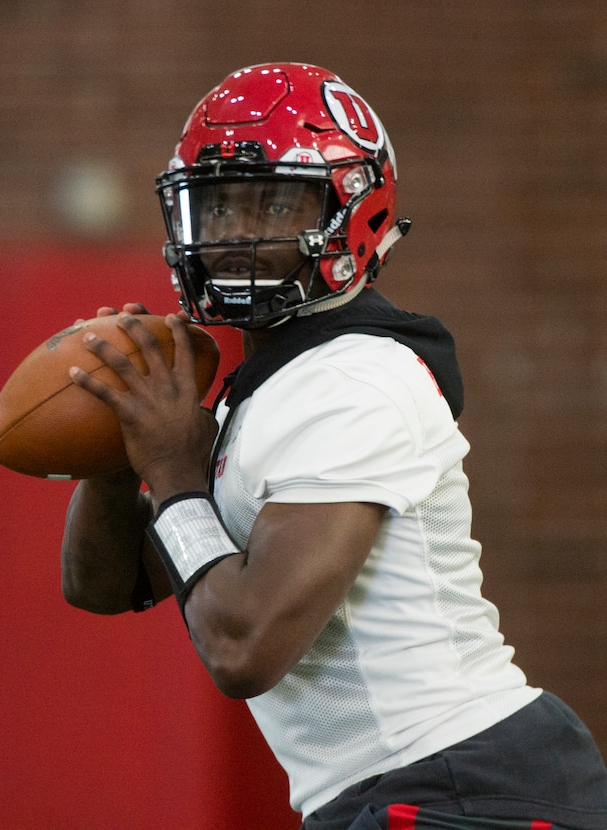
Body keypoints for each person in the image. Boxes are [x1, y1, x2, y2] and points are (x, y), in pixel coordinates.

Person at [61, 63, 607, 829]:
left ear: (352, 211)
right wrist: (118, 451)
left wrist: (176, 467)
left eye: (275, 203)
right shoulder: (271, 389)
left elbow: (243, 645)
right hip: (408, 790)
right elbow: (104, 586)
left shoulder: (356, 379)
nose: (233, 237)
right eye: (215, 208)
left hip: (464, 785)